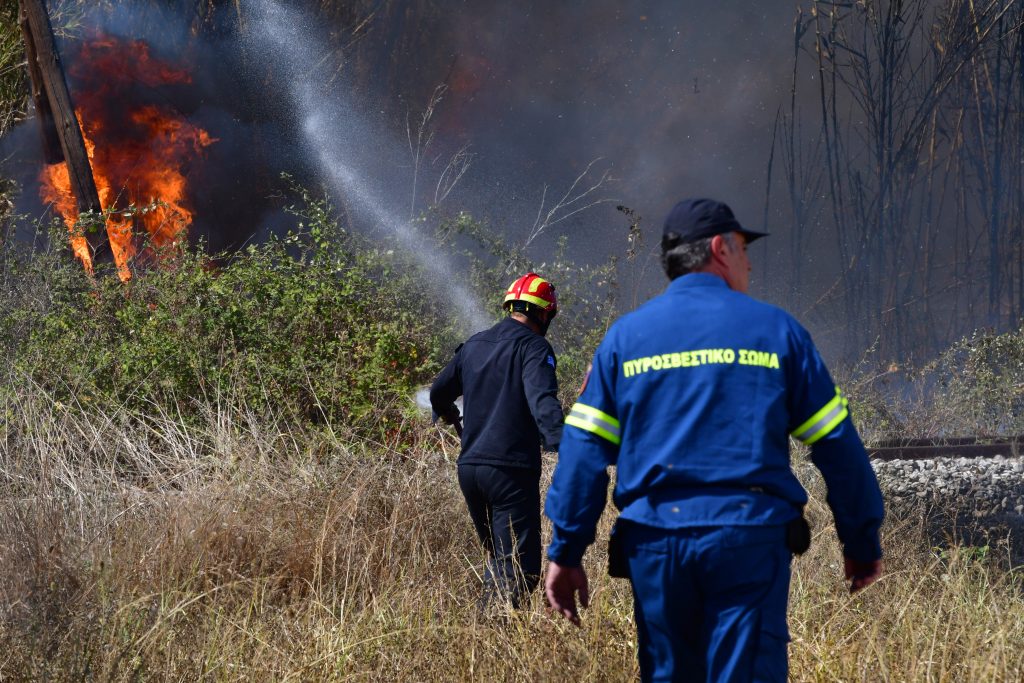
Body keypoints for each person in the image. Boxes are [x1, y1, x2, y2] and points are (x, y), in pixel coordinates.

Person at [544, 198, 884, 682]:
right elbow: (836, 445)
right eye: (745, 250)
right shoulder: (778, 333)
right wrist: (861, 537)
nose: (749, 264)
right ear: (721, 248)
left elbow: (582, 453)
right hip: (745, 540)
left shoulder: (625, 339)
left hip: (655, 543)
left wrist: (567, 550)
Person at [431, 272, 564, 610]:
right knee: (520, 570)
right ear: (543, 313)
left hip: (470, 470)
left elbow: (438, 392)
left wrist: (449, 417)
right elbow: (542, 400)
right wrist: (564, 446)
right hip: (509, 472)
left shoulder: (474, 344)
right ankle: (489, 633)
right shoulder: (535, 347)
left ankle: (482, 638)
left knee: (499, 561)